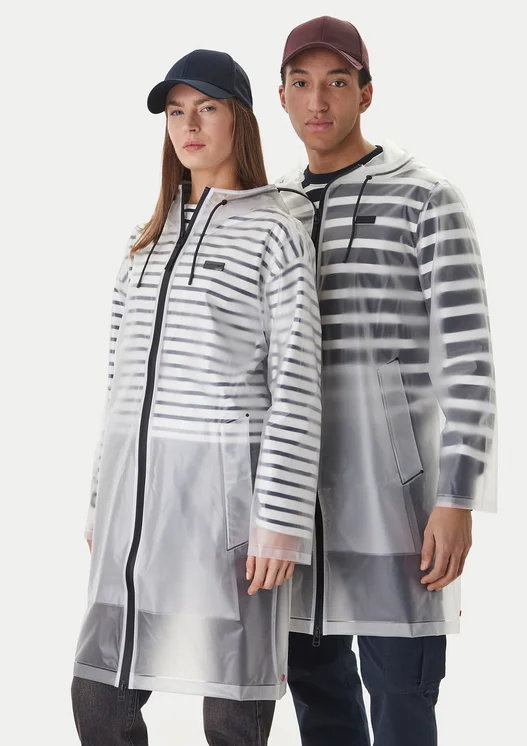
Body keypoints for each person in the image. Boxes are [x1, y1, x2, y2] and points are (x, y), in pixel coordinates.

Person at [70, 48, 322, 746]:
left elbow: (298, 382)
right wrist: (101, 497)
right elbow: (118, 384)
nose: (189, 125)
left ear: (238, 119)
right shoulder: (143, 243)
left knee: (233, 710)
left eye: (206, 108)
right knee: (99, 697)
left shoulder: (277, 232)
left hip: (229, 509)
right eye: (177, 112)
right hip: (138, 505)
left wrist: (280, 518)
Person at [275, 16, 497, 746]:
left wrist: (457, 498)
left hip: (395, 508)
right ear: (282, 96)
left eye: (337, 82)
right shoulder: (271, 210)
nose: (319, 101)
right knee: (319, 702)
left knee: (403, 701)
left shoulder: (426, 198)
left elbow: (468, 360)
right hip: (295, 511)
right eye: (303, 83)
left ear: (366, 93)